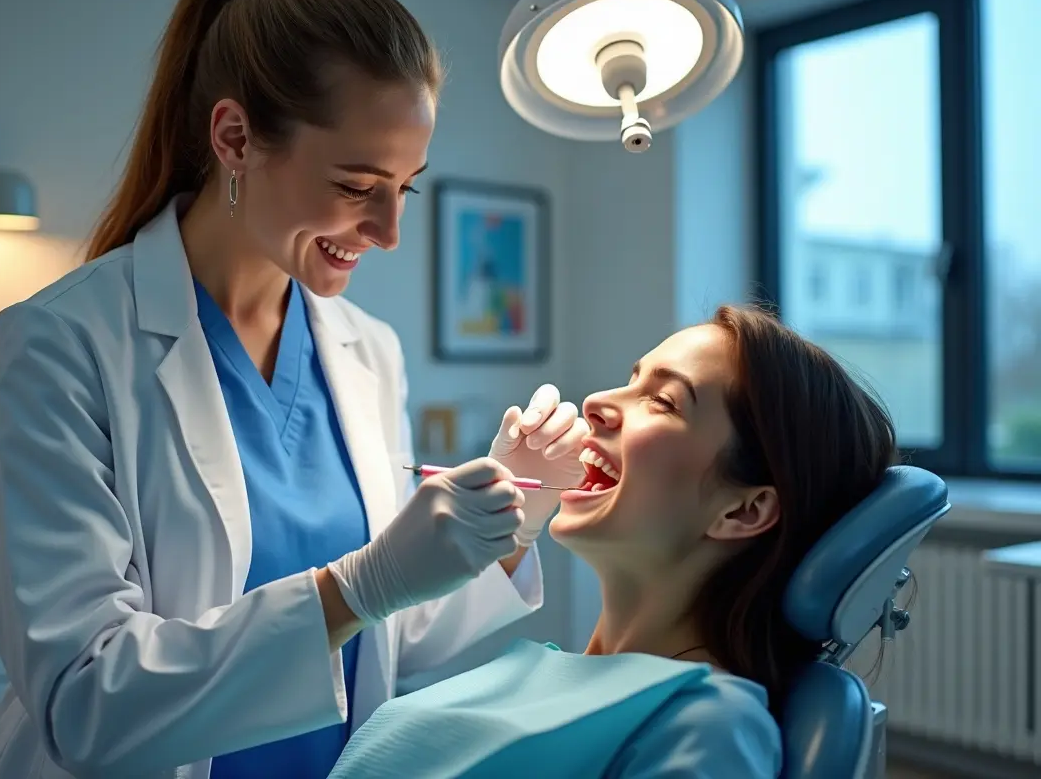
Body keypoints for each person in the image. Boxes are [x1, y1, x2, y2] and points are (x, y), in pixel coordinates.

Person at [0, 0, 589, 777]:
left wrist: (514, 519)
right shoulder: (62, 343)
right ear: (234, 138)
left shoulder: (369, 352)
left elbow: (393, 636)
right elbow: (88, 702)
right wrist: (361, 584)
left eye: (405, 189)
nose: (389, 232)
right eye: (356, 186)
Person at [327, 305, 900, 779]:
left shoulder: (706, 724)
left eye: (664, 401)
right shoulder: (532, 670)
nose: (597, 402)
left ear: (744, 509)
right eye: (632, 379)